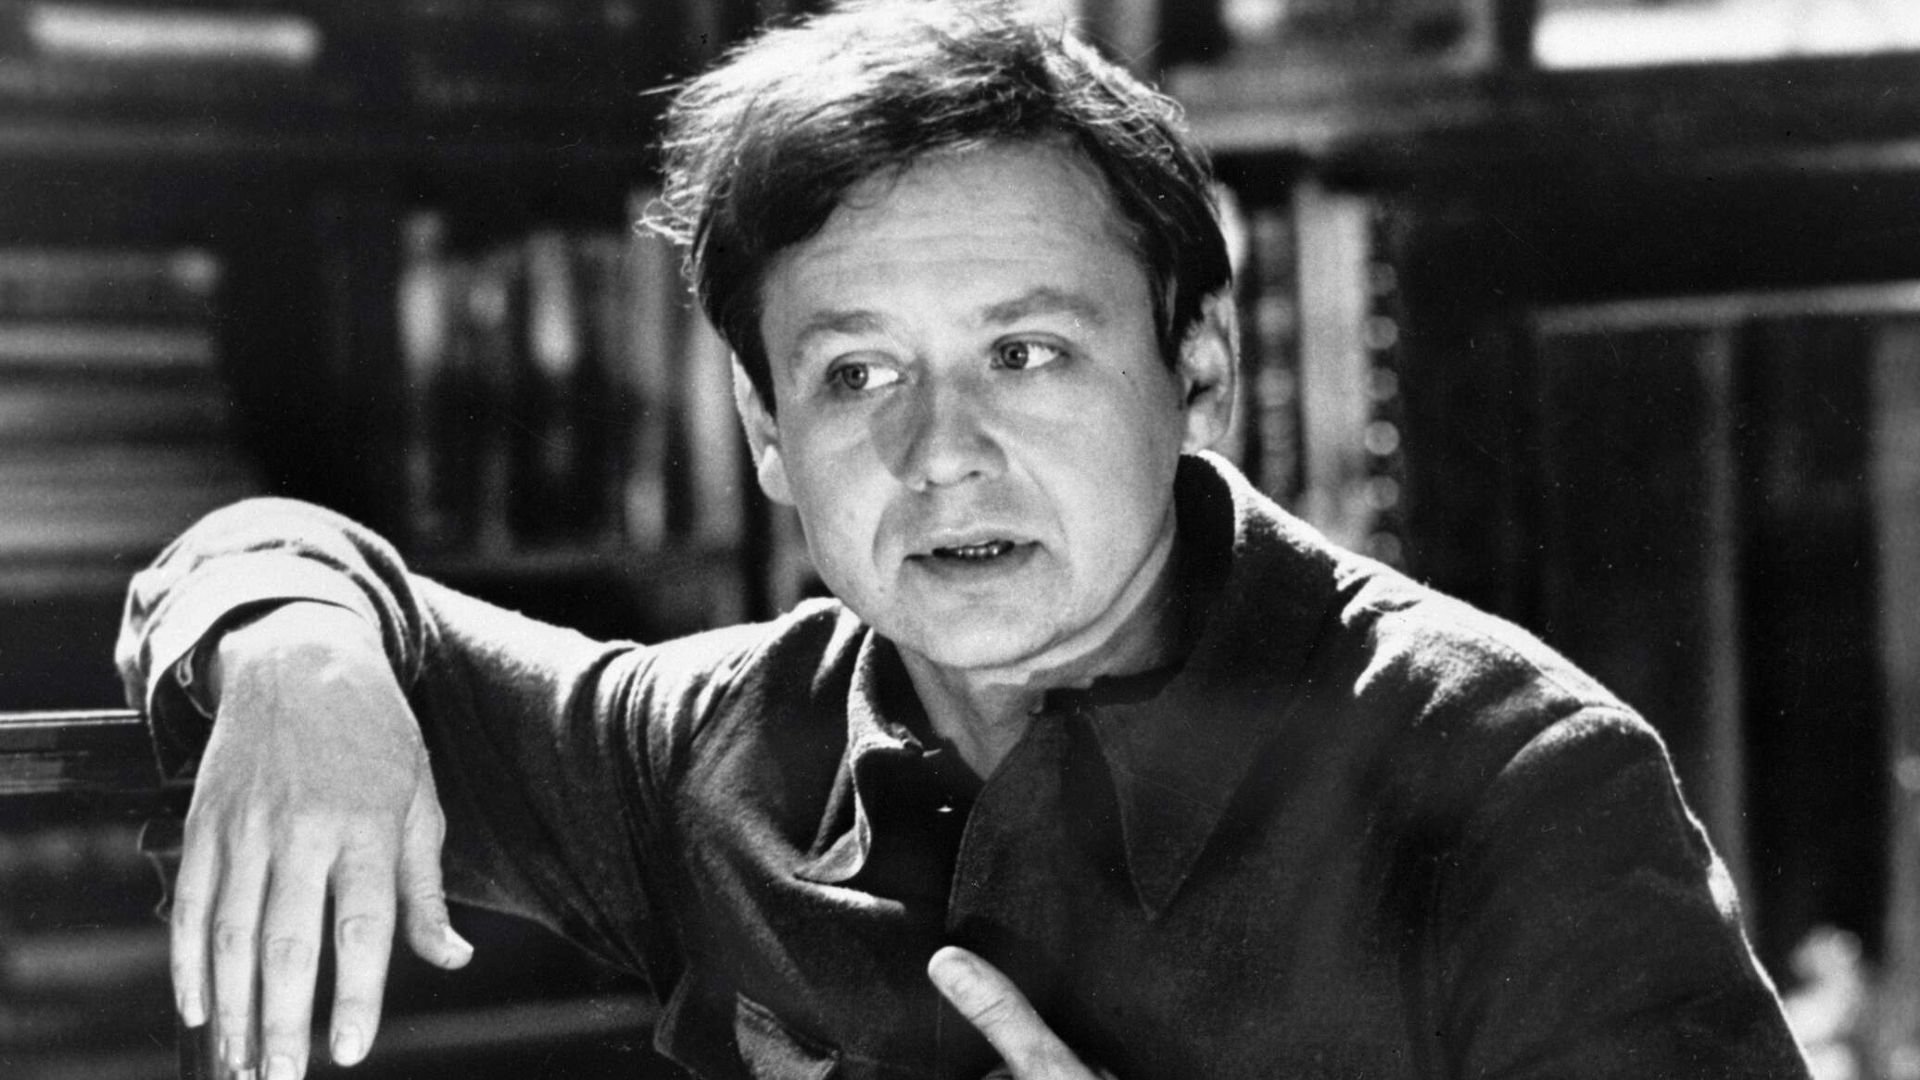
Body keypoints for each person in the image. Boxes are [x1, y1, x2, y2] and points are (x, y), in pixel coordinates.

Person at [115, 3, 1812, 1079]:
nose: (941, 454)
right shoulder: (706, 755)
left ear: (1200, 372)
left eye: (1028, 352)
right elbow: (270, 565)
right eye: (856, 376)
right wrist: (297, 644)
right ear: (767, 435)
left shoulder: (1520, 786)